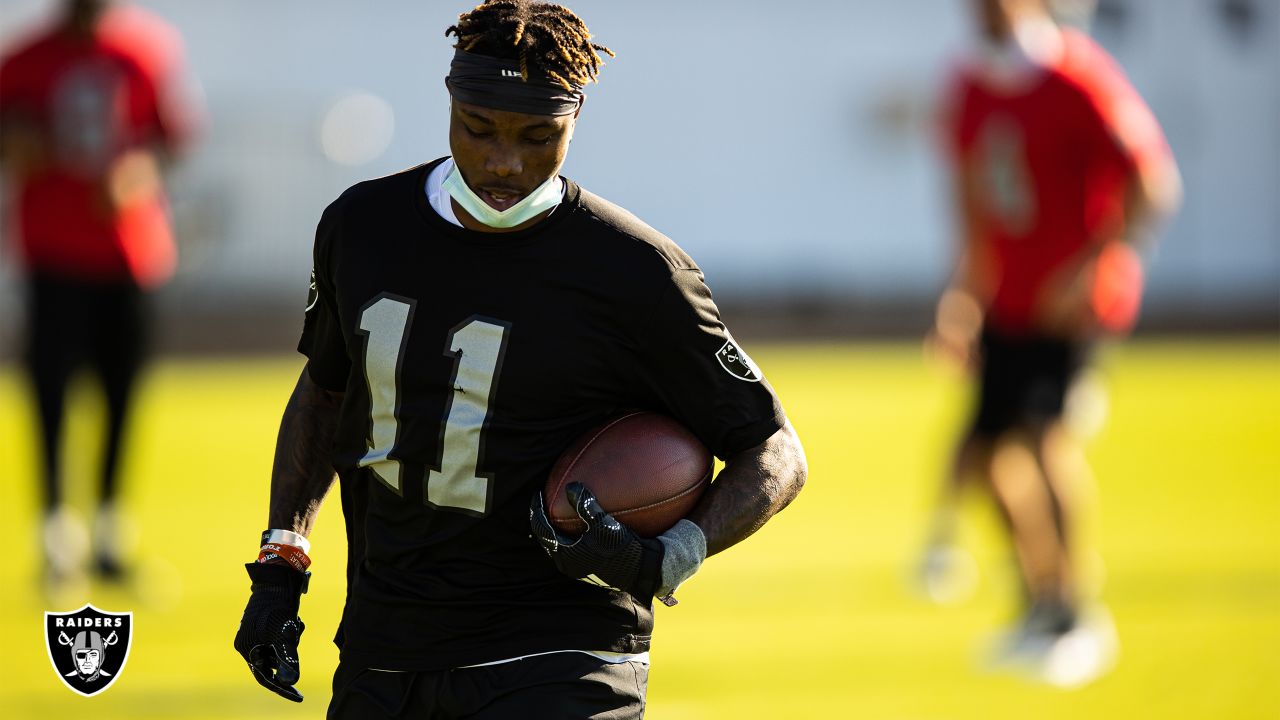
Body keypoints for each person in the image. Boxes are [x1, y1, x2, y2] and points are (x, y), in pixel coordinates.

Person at [232, 2, 808, 717]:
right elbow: (325, 393)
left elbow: (774, 452)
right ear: (449, 102)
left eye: (539, 136)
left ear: (574, 122)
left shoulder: (635, 271)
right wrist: (281, 563)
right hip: (386, 643)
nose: (505, 161)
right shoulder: (361, 226)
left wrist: (673, 554)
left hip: (560, 652)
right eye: (479, 129)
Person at [922, 0, 1181, 687]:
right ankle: (1040, 602)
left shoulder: (1079, 77)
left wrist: (1099, 265)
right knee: (987, 458)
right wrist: (962, 294)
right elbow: (972, 199)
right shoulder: (973, 85)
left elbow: (1153, 184)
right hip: (1006, 298)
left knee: (1046, 438)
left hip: (1068, 304)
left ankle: (1077, 615)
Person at [0, 0, 198, 588]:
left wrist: (134, 173)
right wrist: (21, 145)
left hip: (127, 252)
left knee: (121, 394)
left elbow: (172, 140)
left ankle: (111, 534)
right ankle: (57, 535)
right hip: (54, 251)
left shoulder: (146, 48)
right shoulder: (25, 59)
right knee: (51, 396)